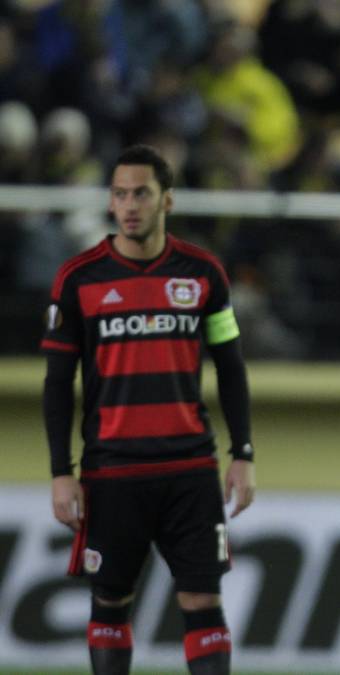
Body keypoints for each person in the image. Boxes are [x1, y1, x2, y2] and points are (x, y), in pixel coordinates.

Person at [41, 145, 255, 675]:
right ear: (111, 203)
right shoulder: (79, 279)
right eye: (120, 194)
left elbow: (230, 367)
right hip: (112, 470)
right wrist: (60, 474)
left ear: (167, 201)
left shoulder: (204, 274)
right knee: (110, 601)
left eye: (141, 193)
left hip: (190, 470)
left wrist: (243, 453)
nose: (129, 204)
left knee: (202, 603)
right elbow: (56, 381)